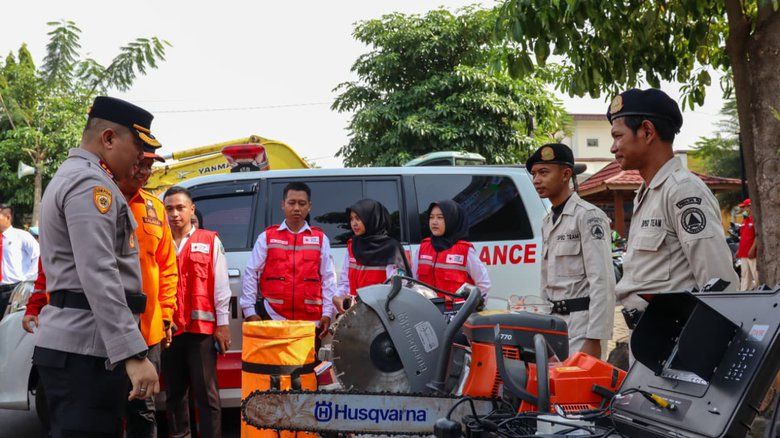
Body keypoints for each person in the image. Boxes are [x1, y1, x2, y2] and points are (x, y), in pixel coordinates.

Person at [35, 96, 161, 437]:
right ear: (108, 139)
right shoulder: (91, 185)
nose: (140, 158)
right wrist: (134, 354)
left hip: (83, 346)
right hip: (84, 352)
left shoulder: (78, 176)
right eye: (137, 146)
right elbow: (99, 272)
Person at [607, 88, 739, 330]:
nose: (613, 148)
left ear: (647, 131)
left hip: (674, 340)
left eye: (618, 136)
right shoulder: (647, 193)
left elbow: (718, 282)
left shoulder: (683, 191)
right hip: (649, 338)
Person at [527, 143, 615, 359]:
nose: (536, 179)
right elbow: (546, 281)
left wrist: (595, 338)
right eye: (534, 174)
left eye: (544, 172)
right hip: (554, 325)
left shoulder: (588, 216)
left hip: (582, 325)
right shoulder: (547, 221)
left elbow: (603, 280)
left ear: (566, 174)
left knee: (580, 390)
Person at [162, 186, 230, 438]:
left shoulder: (210, 240)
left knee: (207, 396)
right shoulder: (160, 241)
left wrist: (222, 326)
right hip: (169, 331)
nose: (175, 214)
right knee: (175, 395)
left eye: (180, 208)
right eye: (169, 208)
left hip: (201, 332)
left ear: (191, 209)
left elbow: (221, 285)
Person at [241, 182, 337, 339]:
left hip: (311, 321)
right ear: (283, 205)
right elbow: (251, 273)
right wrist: (249, 311)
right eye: (291, 203)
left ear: (309, 206)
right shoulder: (267, 237)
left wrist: (328, 313)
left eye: (302, 203)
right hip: (274, 316)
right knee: (276, 364)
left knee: (309, 364)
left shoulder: (320, 239)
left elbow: (328, 279)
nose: (297, 208)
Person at [333, 199, 411, 313]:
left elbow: (397, 288)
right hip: (356, 313)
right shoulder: (352, 245)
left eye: (358, 219)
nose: (354, 223)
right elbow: (345, 282)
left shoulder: (391, 248)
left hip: (381, 315)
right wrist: (336, 297)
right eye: (351, 219)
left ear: (371, 219)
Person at [412, 200, 490, 307]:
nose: (434, 222)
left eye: (440, 217)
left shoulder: (464, 250)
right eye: (431, 217)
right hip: (428, 312)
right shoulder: (423, 247)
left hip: (456, 316)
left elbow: (483, 284)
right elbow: (413, 281)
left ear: (451, 220)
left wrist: (475, 309)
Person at [0, 203, 40, 317]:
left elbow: (38, 255)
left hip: (14, 289)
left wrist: (27, 279)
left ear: (7, 217)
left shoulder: (21, 236)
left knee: (9, 324)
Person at [736, 198, 758, 290]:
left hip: (752, 254)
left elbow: (758, 236)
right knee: (744, 275)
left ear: (750, 207)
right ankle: (744, 292)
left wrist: (752, 249)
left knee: (756, 274)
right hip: (743, 253)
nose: (744, 210)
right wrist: (738, 250)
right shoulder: (745, 221)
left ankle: (760, 292)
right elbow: (743, 238)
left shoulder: (756, 220)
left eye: (744, 207)